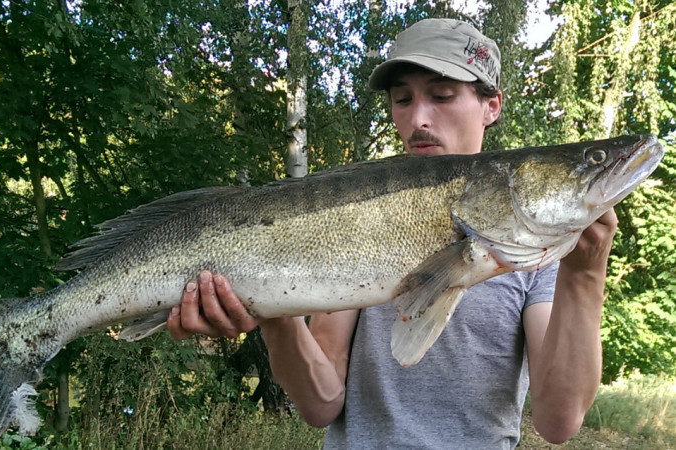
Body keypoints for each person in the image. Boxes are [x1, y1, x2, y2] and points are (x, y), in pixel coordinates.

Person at [166, 18, 616, 448]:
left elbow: (559, 421)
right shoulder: (354, 214)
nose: (419, 118)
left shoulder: (535, 250)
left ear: (490, 106)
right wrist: (275, 317)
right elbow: (322, 403)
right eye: (402, 100)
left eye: (441, 95)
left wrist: (585, 275)